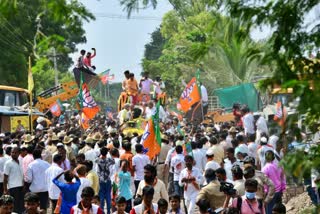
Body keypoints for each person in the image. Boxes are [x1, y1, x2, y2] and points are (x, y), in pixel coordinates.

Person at [3, 147, 24, 213]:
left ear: (19, 153)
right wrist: (5, 190)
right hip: (13, 188)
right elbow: (5, 178)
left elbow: (21, 175)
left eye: (15, 152)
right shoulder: (8, 163)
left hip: (20, 187)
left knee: (21, 206)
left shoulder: (20, 161)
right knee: (14, 207)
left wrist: (23, 185)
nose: (13, 154)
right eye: (12, 152)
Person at [96, 147, 115, 214]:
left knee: (101, 195)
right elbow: (113, 161)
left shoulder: (97, 160)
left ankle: (101, 211)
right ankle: (109, 212)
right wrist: (109, 153)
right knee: (108, 195)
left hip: (101, 179)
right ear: (107, 153)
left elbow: (97, 170)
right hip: (108, 179)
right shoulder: (109, 160)